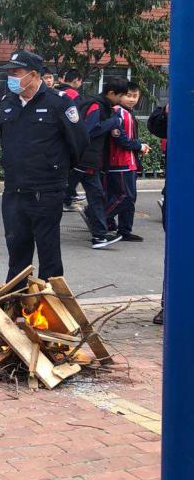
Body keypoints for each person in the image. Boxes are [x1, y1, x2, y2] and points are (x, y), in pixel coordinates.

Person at [0, 50, 88, 280]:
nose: (11, 77)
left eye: (16, 72)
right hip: (14, 190)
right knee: (17, 253)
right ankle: (16, 304)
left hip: (46, 191)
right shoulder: (8, 102)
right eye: (9, 72)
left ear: (34, 74)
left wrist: (57, 172)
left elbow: (79, 142)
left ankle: (50, 308)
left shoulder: (59, 102)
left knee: (49, 255)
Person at [69, 78, 124, 248]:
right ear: (111, 93)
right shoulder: (96, 106)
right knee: (61, 196)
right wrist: (113, 122)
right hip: (84, 160)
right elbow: (88, 131)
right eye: (120, 96)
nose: (121, 100)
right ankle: (99, 235)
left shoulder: (104, 106)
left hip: (87, 162)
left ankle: (99, 236)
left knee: (95, 197)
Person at [104, 80, 149, 243]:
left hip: (129, 162)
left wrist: (139, 147)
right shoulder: (117, 111)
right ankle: (99, 217)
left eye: (135, 96)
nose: (132, 99)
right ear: (120, 96)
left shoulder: (128, 112)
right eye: (128, 96)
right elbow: (119, 138)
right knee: (125, 196)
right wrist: (139, 145)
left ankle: (124, 230)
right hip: (119, 162)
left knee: (129, 198)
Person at [147, 102, 167, 325]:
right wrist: (167, 111)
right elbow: (156, 126)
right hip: (182, 191)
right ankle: (169, 305)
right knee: (178, 253)